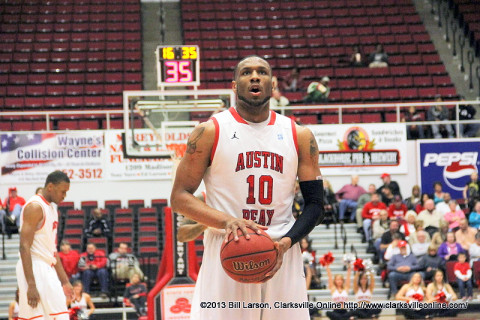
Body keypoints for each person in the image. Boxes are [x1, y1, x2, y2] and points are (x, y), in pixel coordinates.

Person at [170, 55, 324, 320]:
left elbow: (316, 205)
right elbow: (179, 197)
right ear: (234, 85)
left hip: (281, 251)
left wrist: (287, 242)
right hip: (227, 250)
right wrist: (227, 221)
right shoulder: (209, 132)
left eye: (262, 72)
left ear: (272, 83)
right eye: (246, 72)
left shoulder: (299, 135)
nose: (255, 76)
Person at [16, 170, 73, 320]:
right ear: (50, 187)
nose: (64, 196)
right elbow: (24, 246)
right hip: (34, 266)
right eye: (62, 191)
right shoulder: (35, 207)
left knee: (58, 316)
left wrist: (65, 281)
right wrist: (31, 285)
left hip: (47, 267)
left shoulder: (52, 209)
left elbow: (52, 249)